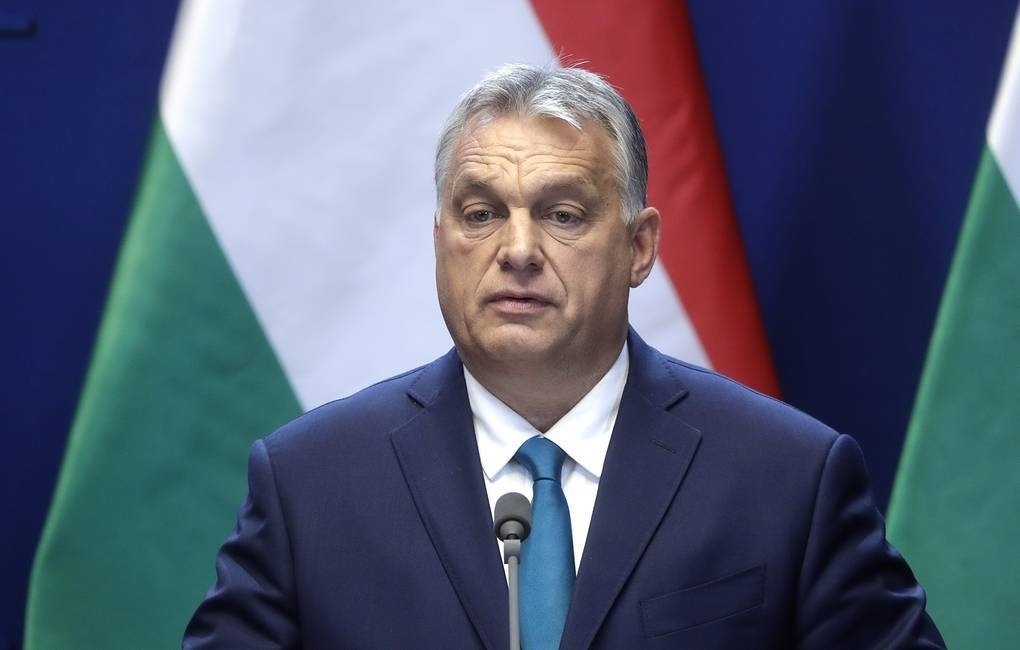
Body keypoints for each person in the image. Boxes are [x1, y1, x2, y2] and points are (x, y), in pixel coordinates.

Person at [183, 64, 944, 649]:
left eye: (563, 215)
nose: (517, 250)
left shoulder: (789, 479)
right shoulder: (311, 486)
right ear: (440, 242)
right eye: (481, 214)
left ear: (639, 247)